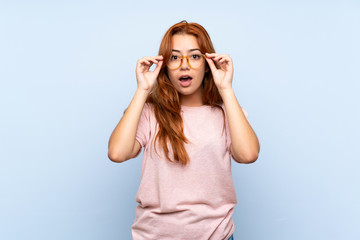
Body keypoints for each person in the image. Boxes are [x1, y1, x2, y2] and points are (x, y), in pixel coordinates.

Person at [108, 20, 260, 240]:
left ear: (208, 63)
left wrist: (225, 88)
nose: (184, 65)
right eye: (174, 57)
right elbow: (117, 153)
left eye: (195, 56)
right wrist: (142, 90)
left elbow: (248, 155)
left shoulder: (227, 114)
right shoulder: (150, 113)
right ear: (164, 65)